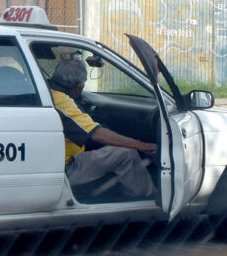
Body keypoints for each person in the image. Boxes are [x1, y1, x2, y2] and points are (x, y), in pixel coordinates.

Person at [49, 58, 157, 199]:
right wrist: (140, 145)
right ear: (79, 86)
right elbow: (97, 134)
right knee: (126, 155)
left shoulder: (47, 92)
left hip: (56, 162)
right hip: (68, 168)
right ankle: (147, 197)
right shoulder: (61, 102)